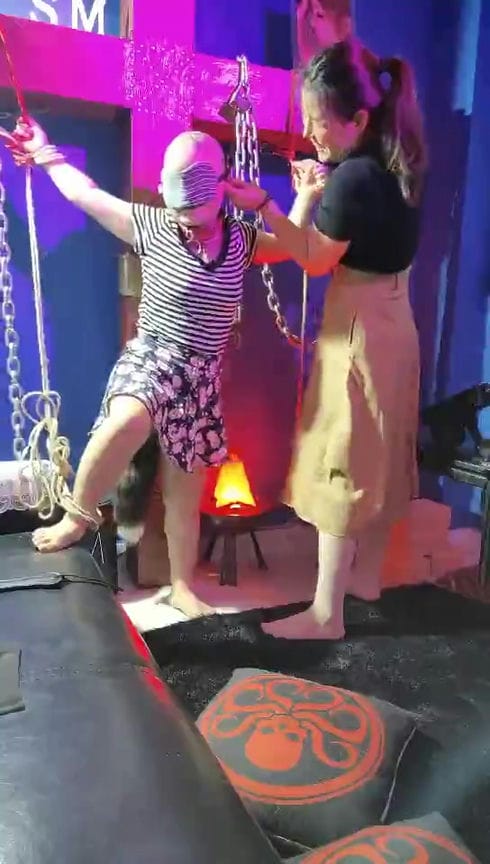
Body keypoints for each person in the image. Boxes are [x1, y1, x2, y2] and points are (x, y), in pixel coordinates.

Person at [8, 121, 315, 618]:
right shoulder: (151, 225)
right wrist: (45, 153)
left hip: (200, 378)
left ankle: (182, 585)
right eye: (181, 212)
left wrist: (299, 199)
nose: (186, 221)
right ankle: (77, 516)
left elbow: (293, 246)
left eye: (195, 213)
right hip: (152, 356)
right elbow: (86, 194)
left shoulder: (242, 240)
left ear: (221, 193)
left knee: (183, 494)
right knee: (126, 420)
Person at [225, 38, 427, 639]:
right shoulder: (400, 159)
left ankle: (325, 613)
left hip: (359, 328)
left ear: (357, 119)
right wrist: (314, 193)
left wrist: (270, 204)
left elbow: (313, 259)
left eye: (318, 121)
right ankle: (365, 579)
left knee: (342, 456)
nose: (310, 132)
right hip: (397, 319)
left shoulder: (353, 179)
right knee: (380, 451)